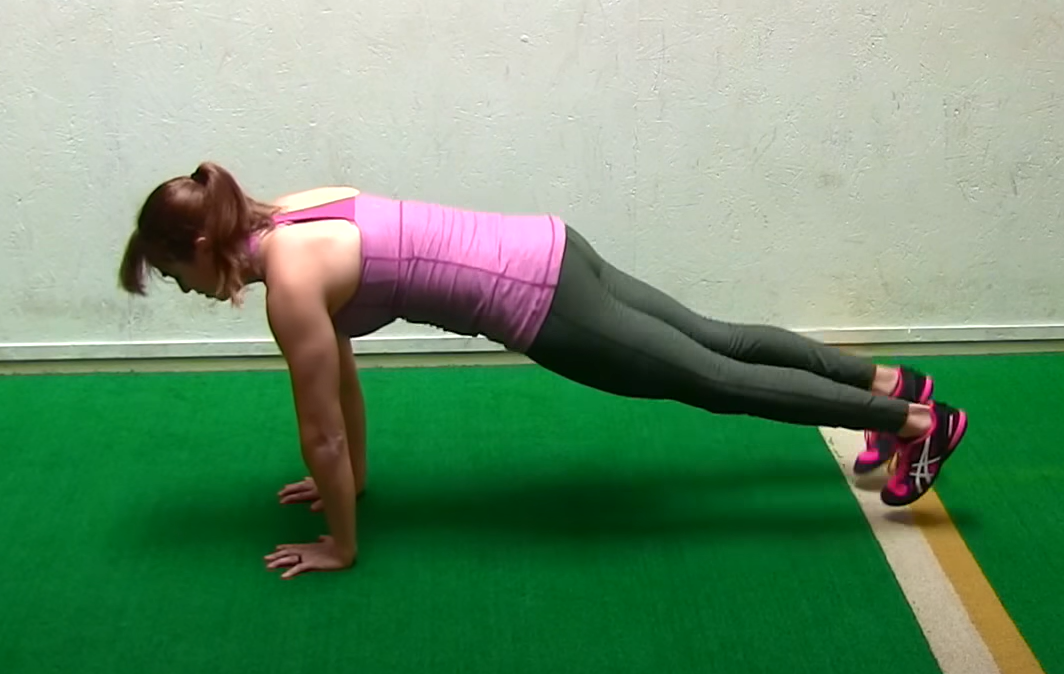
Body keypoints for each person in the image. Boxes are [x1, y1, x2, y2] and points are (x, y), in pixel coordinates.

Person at [119, 162, 968, 579]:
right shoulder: (296, 210)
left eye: (177, 274)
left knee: (715, 379)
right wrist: (354, 482)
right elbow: (340, 383)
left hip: (543, 303)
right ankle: (891, 384)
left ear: (202, 244)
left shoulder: (291, 286)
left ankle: (921, 427)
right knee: (721, 339)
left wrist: (339, 543)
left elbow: (324, 433)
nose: (189, 291)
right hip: (552, 246)